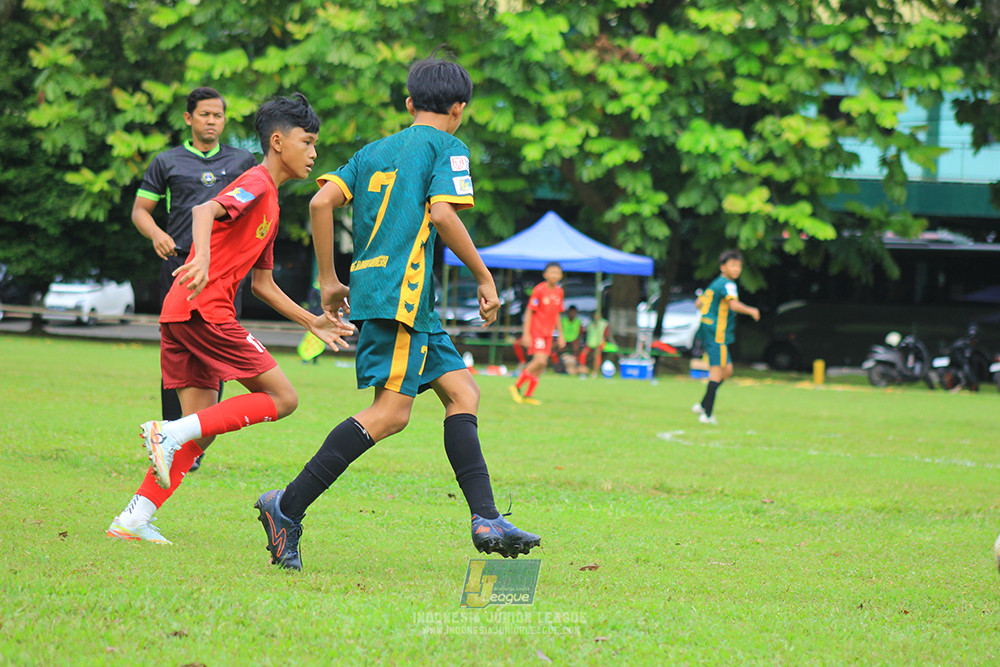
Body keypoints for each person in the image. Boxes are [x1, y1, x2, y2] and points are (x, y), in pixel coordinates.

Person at [253, 54, 540, 571]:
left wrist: (328, 280)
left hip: (393, 296)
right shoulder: (448, 146)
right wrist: (485, 276)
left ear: (409, 104)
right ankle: (286, 507)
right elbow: (443, 214)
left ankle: (486, 517)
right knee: (390, 414)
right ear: (460, 108)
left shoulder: (372, 152)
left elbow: (320, 206)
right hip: (401, 297)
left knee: (463, 391)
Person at [107, 93, 354, 544]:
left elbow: (263, 285)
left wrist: (310, 320)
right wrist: (200, 257)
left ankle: (133, 518)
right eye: (308, 142)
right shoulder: (257, 182)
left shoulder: (272, 204)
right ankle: (167, 432)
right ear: (278, 141)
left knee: (201, 431)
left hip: (181, 312)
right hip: (205, 309)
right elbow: (204, 209)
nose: (314, 153)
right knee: (283, 399)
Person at [132, 87, 258, 471]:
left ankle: (193, 439)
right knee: (178, 352)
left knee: (215, 352)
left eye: (218, 115)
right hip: (179, 266)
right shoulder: (167, 161)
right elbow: (141, 210)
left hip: (223, 273)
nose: (211, 121)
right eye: (204, 114)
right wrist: (155, 233)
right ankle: (170, 431)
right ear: (189, 118)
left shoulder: (243, 161)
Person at [692, 249, 760, 425]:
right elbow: (734, 305)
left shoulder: (716, 283)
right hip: (717, 333)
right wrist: (751, 310)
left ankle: (703, 404)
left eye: (739, 266)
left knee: (727, 371)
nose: (737, 269)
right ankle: (707, 414)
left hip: (711, 331)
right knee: (717, 371)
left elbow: (698, 303)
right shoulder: (728, 284)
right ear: (723, 267)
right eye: (733, 265)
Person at [510, 262, 565, 405]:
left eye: (557, 273)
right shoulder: (539, 290)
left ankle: (528, 395)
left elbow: (558, 314)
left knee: (542, 365)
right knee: (540, 361)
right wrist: (526, 333)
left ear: (561, 275)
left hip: (548, 333)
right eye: (551, 272)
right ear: (545, 275)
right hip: (537, 332)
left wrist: (561, 335)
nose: (554, 275)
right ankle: (516, 386)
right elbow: (529, 312)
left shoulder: (559, 292)